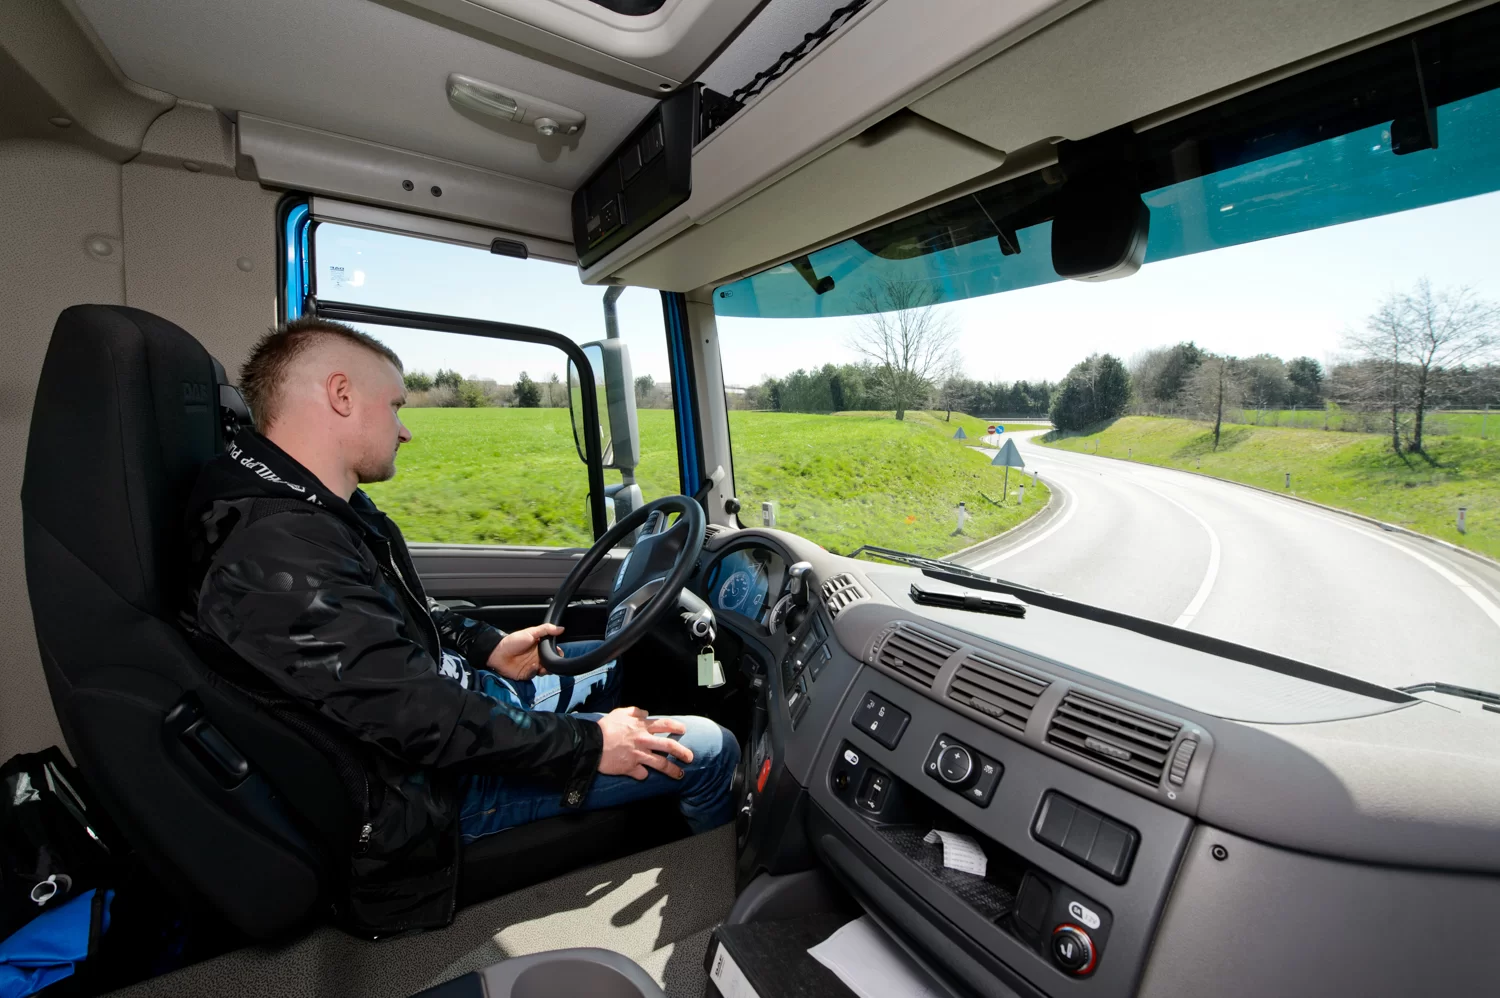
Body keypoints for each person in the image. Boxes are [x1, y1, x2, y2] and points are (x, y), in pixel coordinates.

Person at [181, 317, 738, 933]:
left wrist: (488, 645)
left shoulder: (314, 509)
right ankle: (718, 914)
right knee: (712, 748)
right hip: (422, 797)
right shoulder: (277, 550)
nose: (405, 429)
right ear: (341, 395)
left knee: (608, 661)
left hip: (446, 716)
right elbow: (422, 721)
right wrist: (590, 746)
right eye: (395, 406)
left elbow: (398, 615)